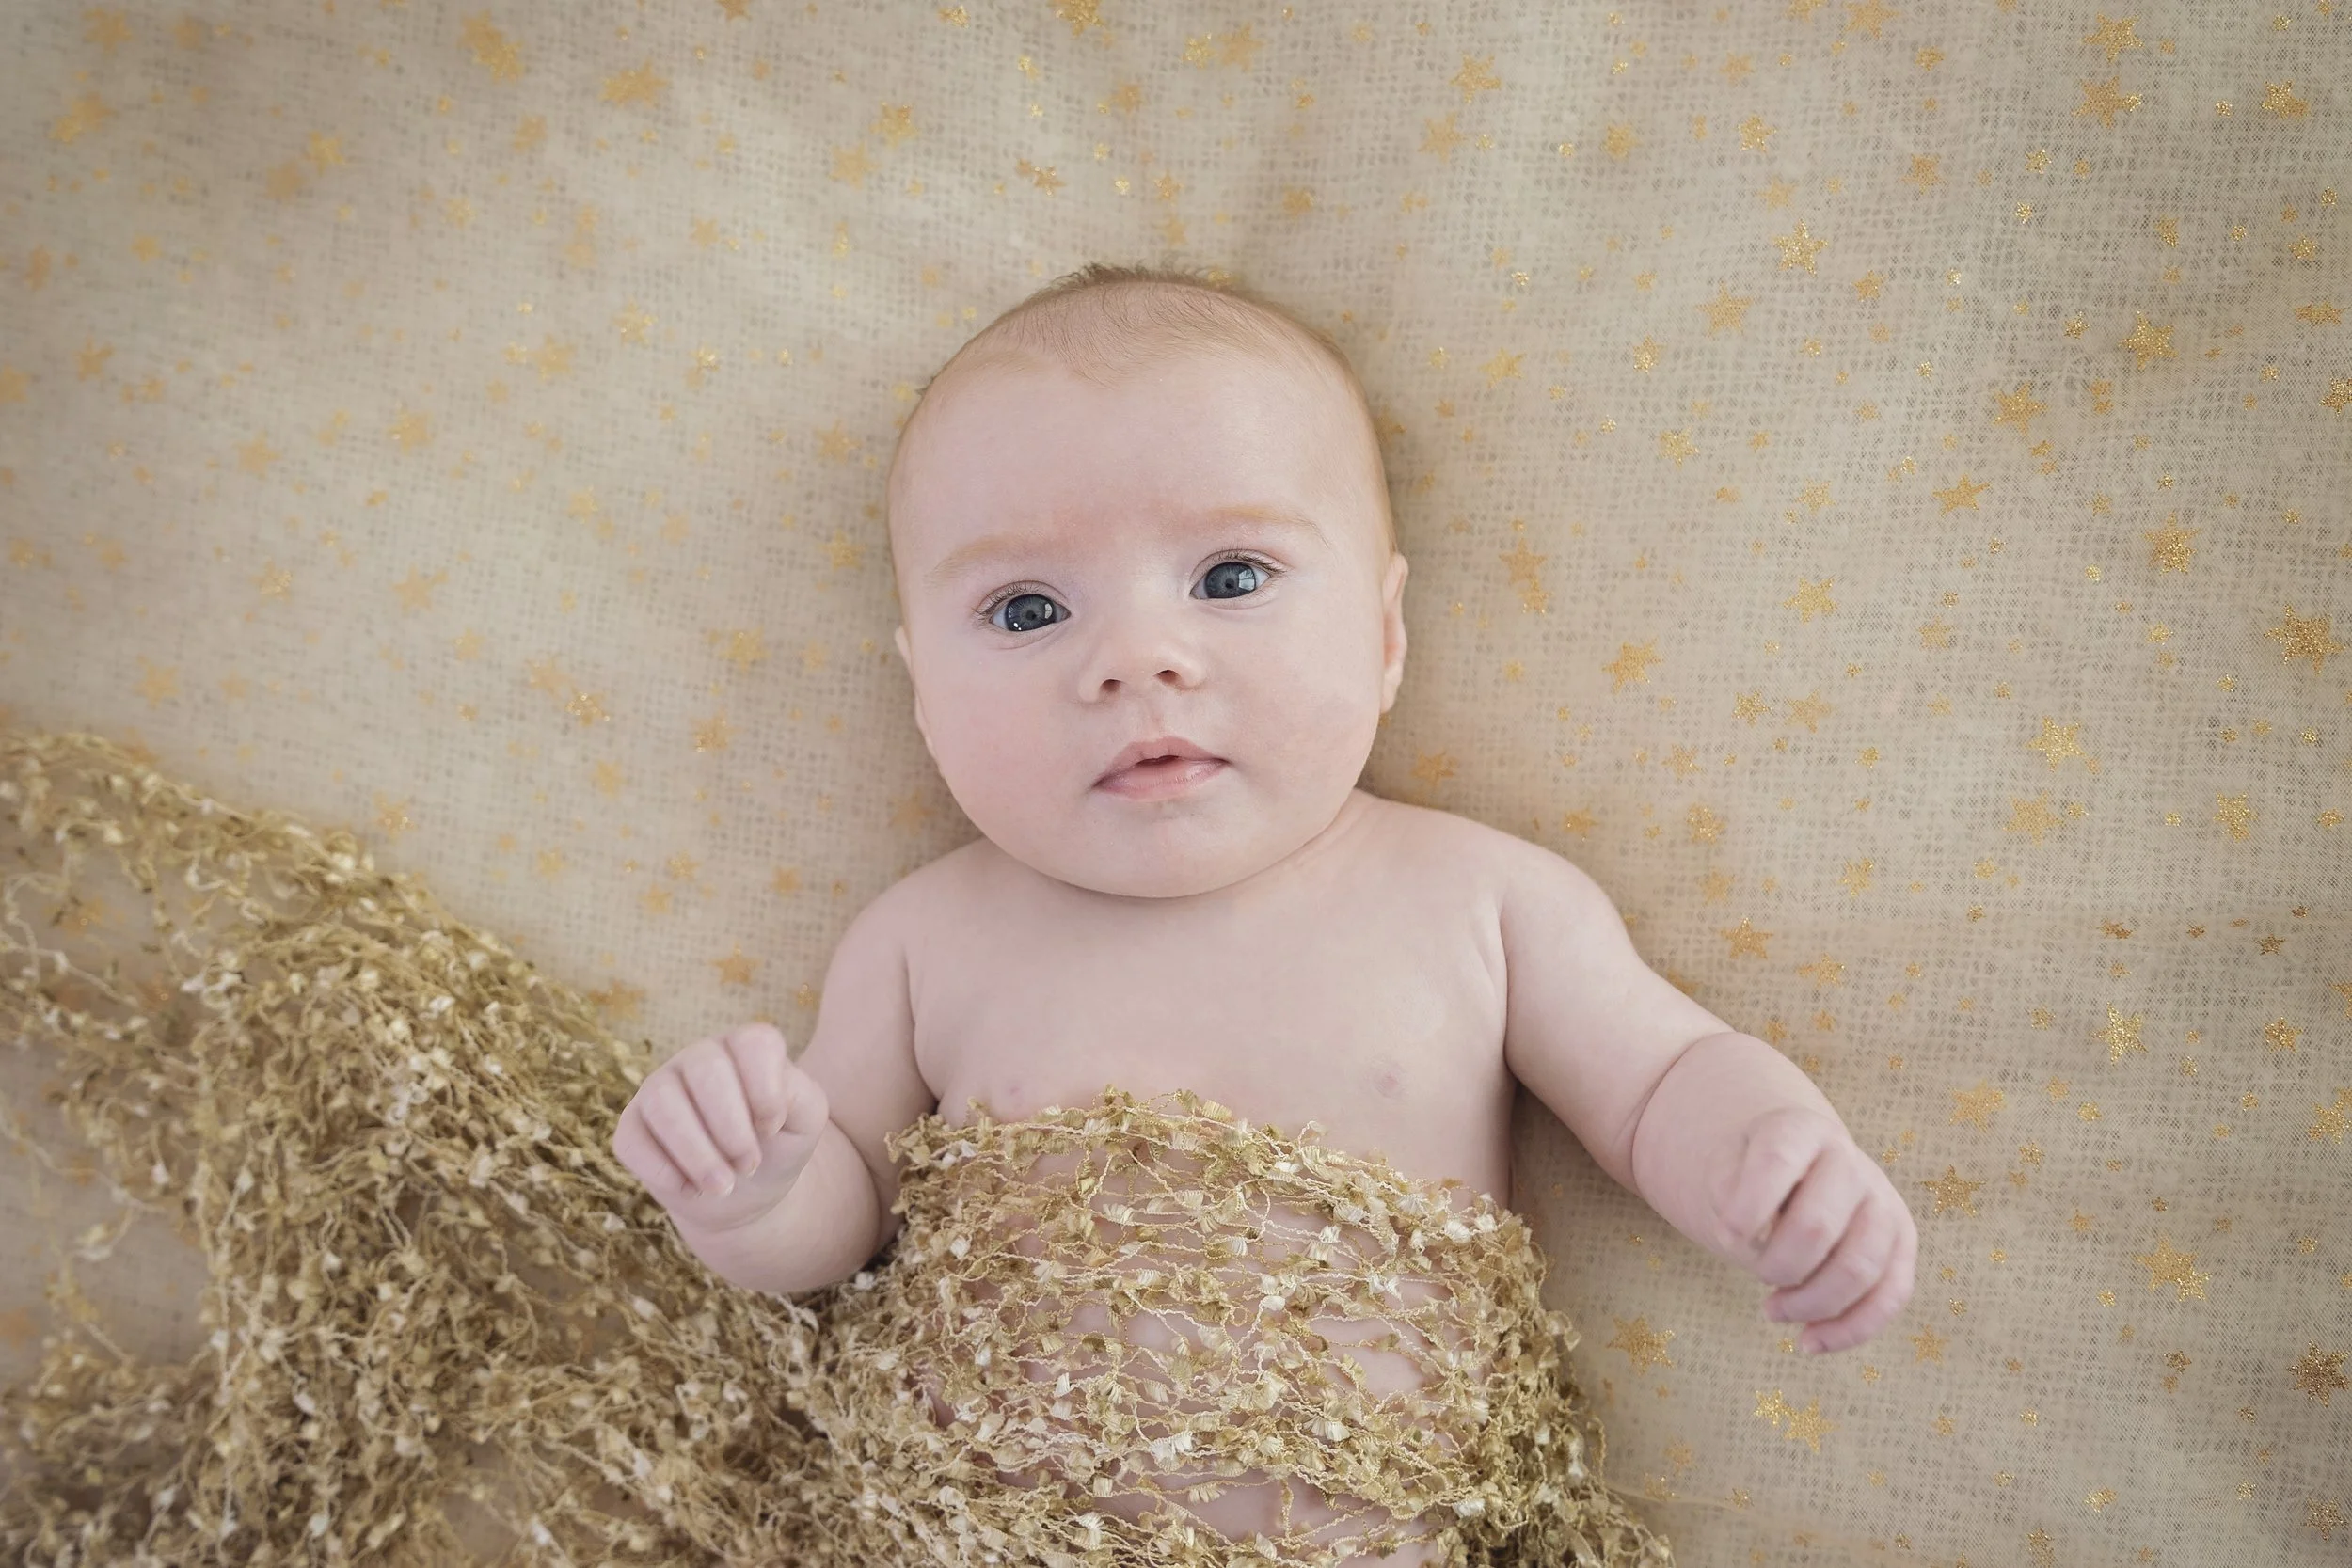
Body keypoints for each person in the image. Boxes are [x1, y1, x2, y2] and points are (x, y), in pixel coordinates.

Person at [610, 262, 1917, 1567]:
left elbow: (1662, 1077)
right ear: (921, 695)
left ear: (1385, 636)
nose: (1138, 657)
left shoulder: (1480, 902)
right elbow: (837, 1224)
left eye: (1231, 577)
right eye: (1026, 609)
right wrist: (752, 1189)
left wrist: (1765, 1150)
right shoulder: (921, 942)